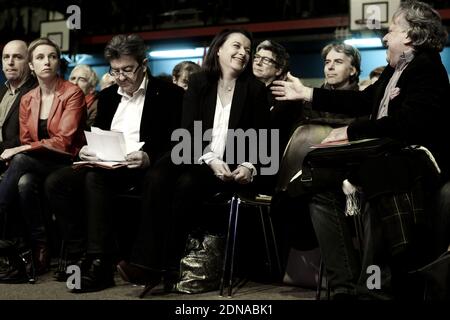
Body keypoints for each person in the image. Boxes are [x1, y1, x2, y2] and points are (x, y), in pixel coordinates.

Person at [271, 0, 449, 300]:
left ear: (409, 36)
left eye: (391, 30)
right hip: (385, 158)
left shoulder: (426, 68)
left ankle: (374, 290)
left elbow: (408, 125)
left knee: (373, 180)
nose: (384, 37)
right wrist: (307, 93)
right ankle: (344, 288)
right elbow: (361, 101)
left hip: (413, 163)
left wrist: (351, 131)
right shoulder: (398, 69)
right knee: (320, 192)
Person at [116, 28, 271, 296]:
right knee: (156, 175)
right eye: (237, 46)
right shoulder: (200, 82)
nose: (243, 53)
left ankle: (167, 268)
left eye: (248, 49)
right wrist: (209, 158)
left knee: (187, 185)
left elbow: (263, 137)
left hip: (228, 166)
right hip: (195, 152)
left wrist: (248, 165)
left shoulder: (255, 89)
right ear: (219, 49)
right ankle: (145, 262)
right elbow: (188, 131)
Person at [44, 34, 184, 292]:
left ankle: (101, 263)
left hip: (142, 167)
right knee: (56, 182)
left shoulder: (169, 94)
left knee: (93, 179)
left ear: (143, 64)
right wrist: (86, 150)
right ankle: (82, 253)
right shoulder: (108, 96)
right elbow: (97, 132)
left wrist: (148, 157)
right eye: (115, 71)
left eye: (127, 70)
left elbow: (176, 141)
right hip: (107, 163)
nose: (121, 77)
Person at [0, 37, 86, 282]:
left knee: (19, 161)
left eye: (52, 56)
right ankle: (40, 247)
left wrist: (20, 150)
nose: (46, 62)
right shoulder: (28, 98)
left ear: (58, 61)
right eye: (39, 57)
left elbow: (64, 141)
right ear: (32, 65)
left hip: (68, 161)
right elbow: (27, 139)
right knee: (24, 182)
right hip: (38, 161)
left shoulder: (72, 92)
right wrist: (23, 149)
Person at [0, 40, 37, 166]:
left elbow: (29, 136)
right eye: (6, 57)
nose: (10, 62)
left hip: (15, 159)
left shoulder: (37, 90)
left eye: (17, 57)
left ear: (29, 63)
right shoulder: (2, 91)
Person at [68, 64, 99, 128]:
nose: (75, 83)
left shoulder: (97, 106)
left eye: (82, 79)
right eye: (73, 78)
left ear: (91, 88)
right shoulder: (63, 102)